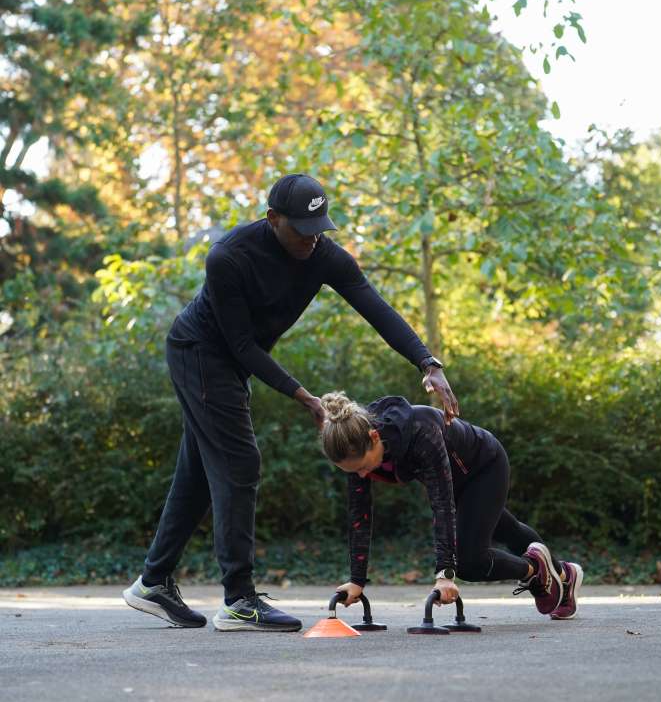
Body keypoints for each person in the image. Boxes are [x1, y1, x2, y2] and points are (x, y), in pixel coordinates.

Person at [123, 173, 458, 632]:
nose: (311, 239)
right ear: (272, 219)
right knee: (240, 462)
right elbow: (240, 345)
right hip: (200, 353)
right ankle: (239, 600)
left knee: (201, 469)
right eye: (301, 229)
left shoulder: (323, 256)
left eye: (319, 228)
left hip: (230, 364)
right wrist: (303, 396)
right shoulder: (229, 257)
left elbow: (374, 306)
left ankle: (153, 580)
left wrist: (427, 362)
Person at [319, 391, 582, 619]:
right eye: (354, 472)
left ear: (375, 437)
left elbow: (441, 504)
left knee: (469, 562)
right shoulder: (356, 446)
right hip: (454, 480)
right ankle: (564, 575)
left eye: (364, 467)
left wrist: (445, 573)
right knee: (507, 530)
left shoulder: (421, 433)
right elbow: (359, 516)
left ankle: (535, 569)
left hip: (484, 466)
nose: (362, 475)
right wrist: (357, 580)